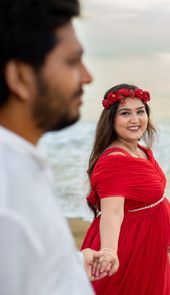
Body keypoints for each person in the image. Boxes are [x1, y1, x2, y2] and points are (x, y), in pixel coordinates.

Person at [0, 0, 113, 294]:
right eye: (73, 62)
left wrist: (74, 263)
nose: (87, 76)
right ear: (21, 77)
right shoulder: (7, 204)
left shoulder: (22, 163)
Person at [81, 83, 170, 294]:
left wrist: (168, 231)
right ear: (111, 119)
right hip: (130, 247)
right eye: (125, 113)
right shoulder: (115, 160)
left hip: (149, 245)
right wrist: (108, 251)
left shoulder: (140, 150)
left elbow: (151, 200)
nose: (135, 119)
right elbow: (112, 211)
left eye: (140, 111)